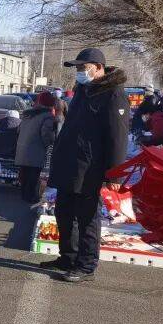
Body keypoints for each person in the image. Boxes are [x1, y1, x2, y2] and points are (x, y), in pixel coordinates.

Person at [42, 48, 130, 283]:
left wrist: (114, 175)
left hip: (90, 167)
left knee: (87, 218)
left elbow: (118, 137)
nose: (80, 72)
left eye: (83, 67)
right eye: (78, 68)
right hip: (69, 162)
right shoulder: (83, 90)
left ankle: (86, 265)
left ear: (99, 67)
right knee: (64, 213)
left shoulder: (113, 94)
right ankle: (68, 257)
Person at [15, 91, 58, 203]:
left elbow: (19, 130)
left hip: (22, 148)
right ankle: (29, 196)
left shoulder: (28, 114)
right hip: (36, 149)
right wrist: (50, 143)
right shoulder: (48, 116)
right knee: (33, 174)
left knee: (25, 173)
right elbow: (46, 134)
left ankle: (24, 194)